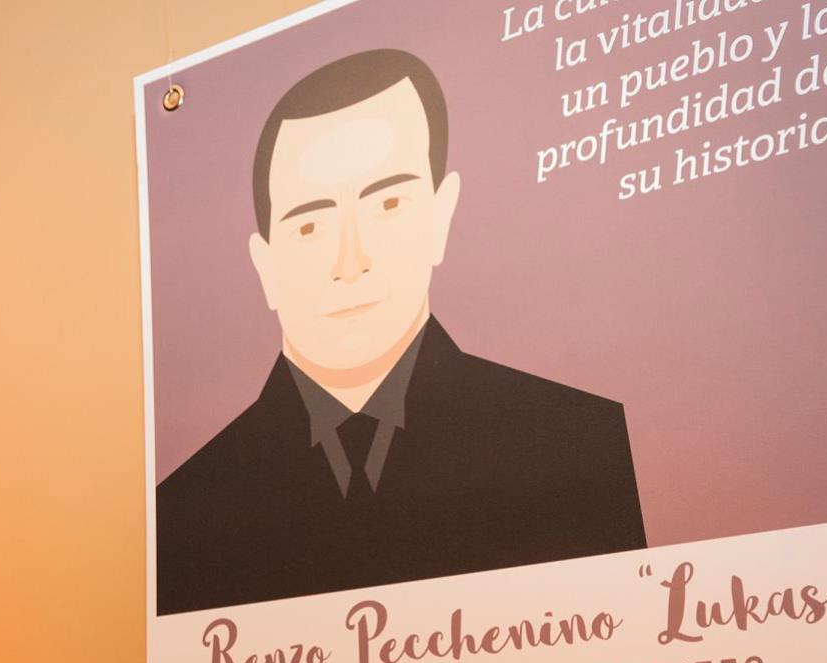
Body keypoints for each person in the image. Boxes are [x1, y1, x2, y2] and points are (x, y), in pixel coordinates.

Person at [155, 49, 648, 616]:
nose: (350, 261)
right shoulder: (184, 511)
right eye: (309, 226)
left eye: (388, 202)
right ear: (264, 265)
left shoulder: (577, 443)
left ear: (441, 216)